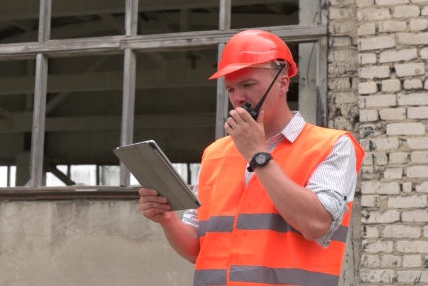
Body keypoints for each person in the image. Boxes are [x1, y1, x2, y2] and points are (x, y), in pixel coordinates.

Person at [138, 29, 364, 286]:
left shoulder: (332, 145)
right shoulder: (215, 154)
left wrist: (258, 155)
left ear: (283, 82)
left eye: (248, 85)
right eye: (231, 88)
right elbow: (197, 249)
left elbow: (316, 224)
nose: (238, 98)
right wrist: (166, 219)